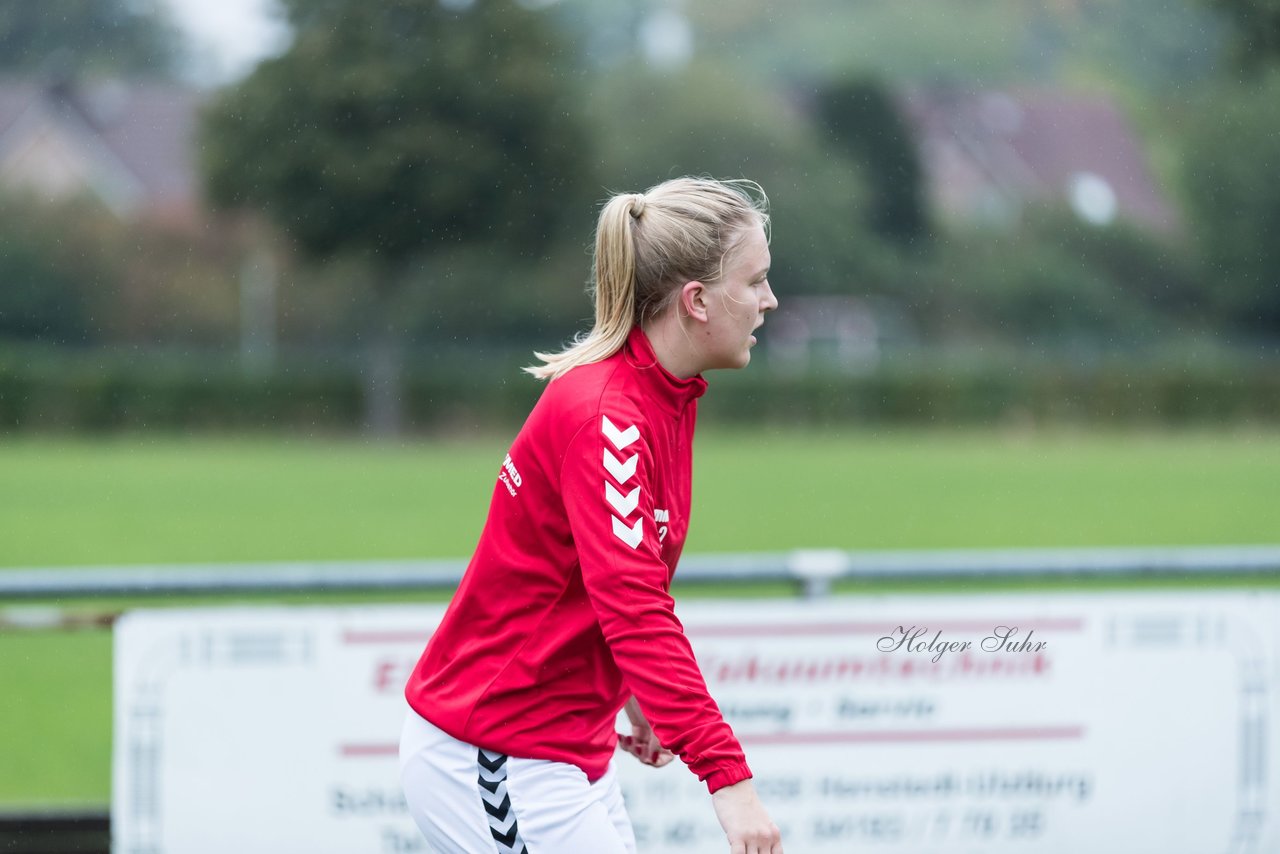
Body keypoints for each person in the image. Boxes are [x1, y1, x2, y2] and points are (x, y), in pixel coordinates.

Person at [399, 176, 783, 854]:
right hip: (495, 751)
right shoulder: (609, 416)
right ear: (697, 301)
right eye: (754, 282)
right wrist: (729, 782)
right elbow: (635, 608)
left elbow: (601, 584)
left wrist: (635, 696)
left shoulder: (663, 398)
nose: (768, 301)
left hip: (565, 751)